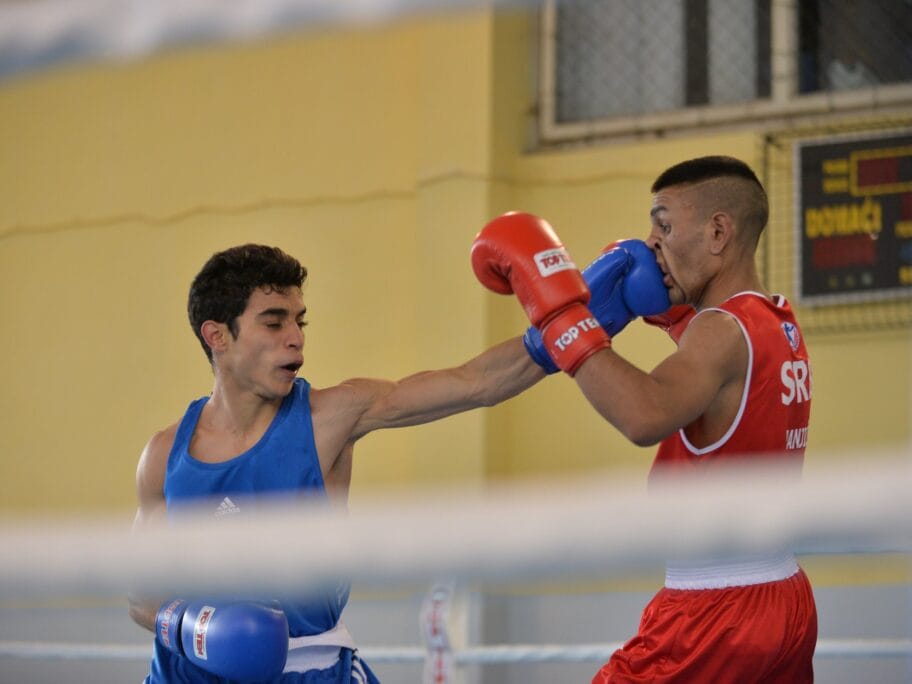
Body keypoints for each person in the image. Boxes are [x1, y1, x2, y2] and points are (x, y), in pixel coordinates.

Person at [129, 240, 670, 683]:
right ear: (217, 336)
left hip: (307, 670)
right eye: (274, 322)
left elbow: (474, 383)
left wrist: (574, 323)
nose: (295, 339)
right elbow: (140, 596)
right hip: (182, 673)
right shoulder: (164, 455)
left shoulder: (330, 417)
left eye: (300, 321)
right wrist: (196, 629)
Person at [472, 156, 817, 683]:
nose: (651, 242)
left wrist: (563, 315)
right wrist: (658, 311)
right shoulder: (776, 322)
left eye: (665, 224)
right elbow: (719, 383)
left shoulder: (719, 332)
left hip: (714, 613)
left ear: (718, 231)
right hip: (784, 594)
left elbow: (645, 414)